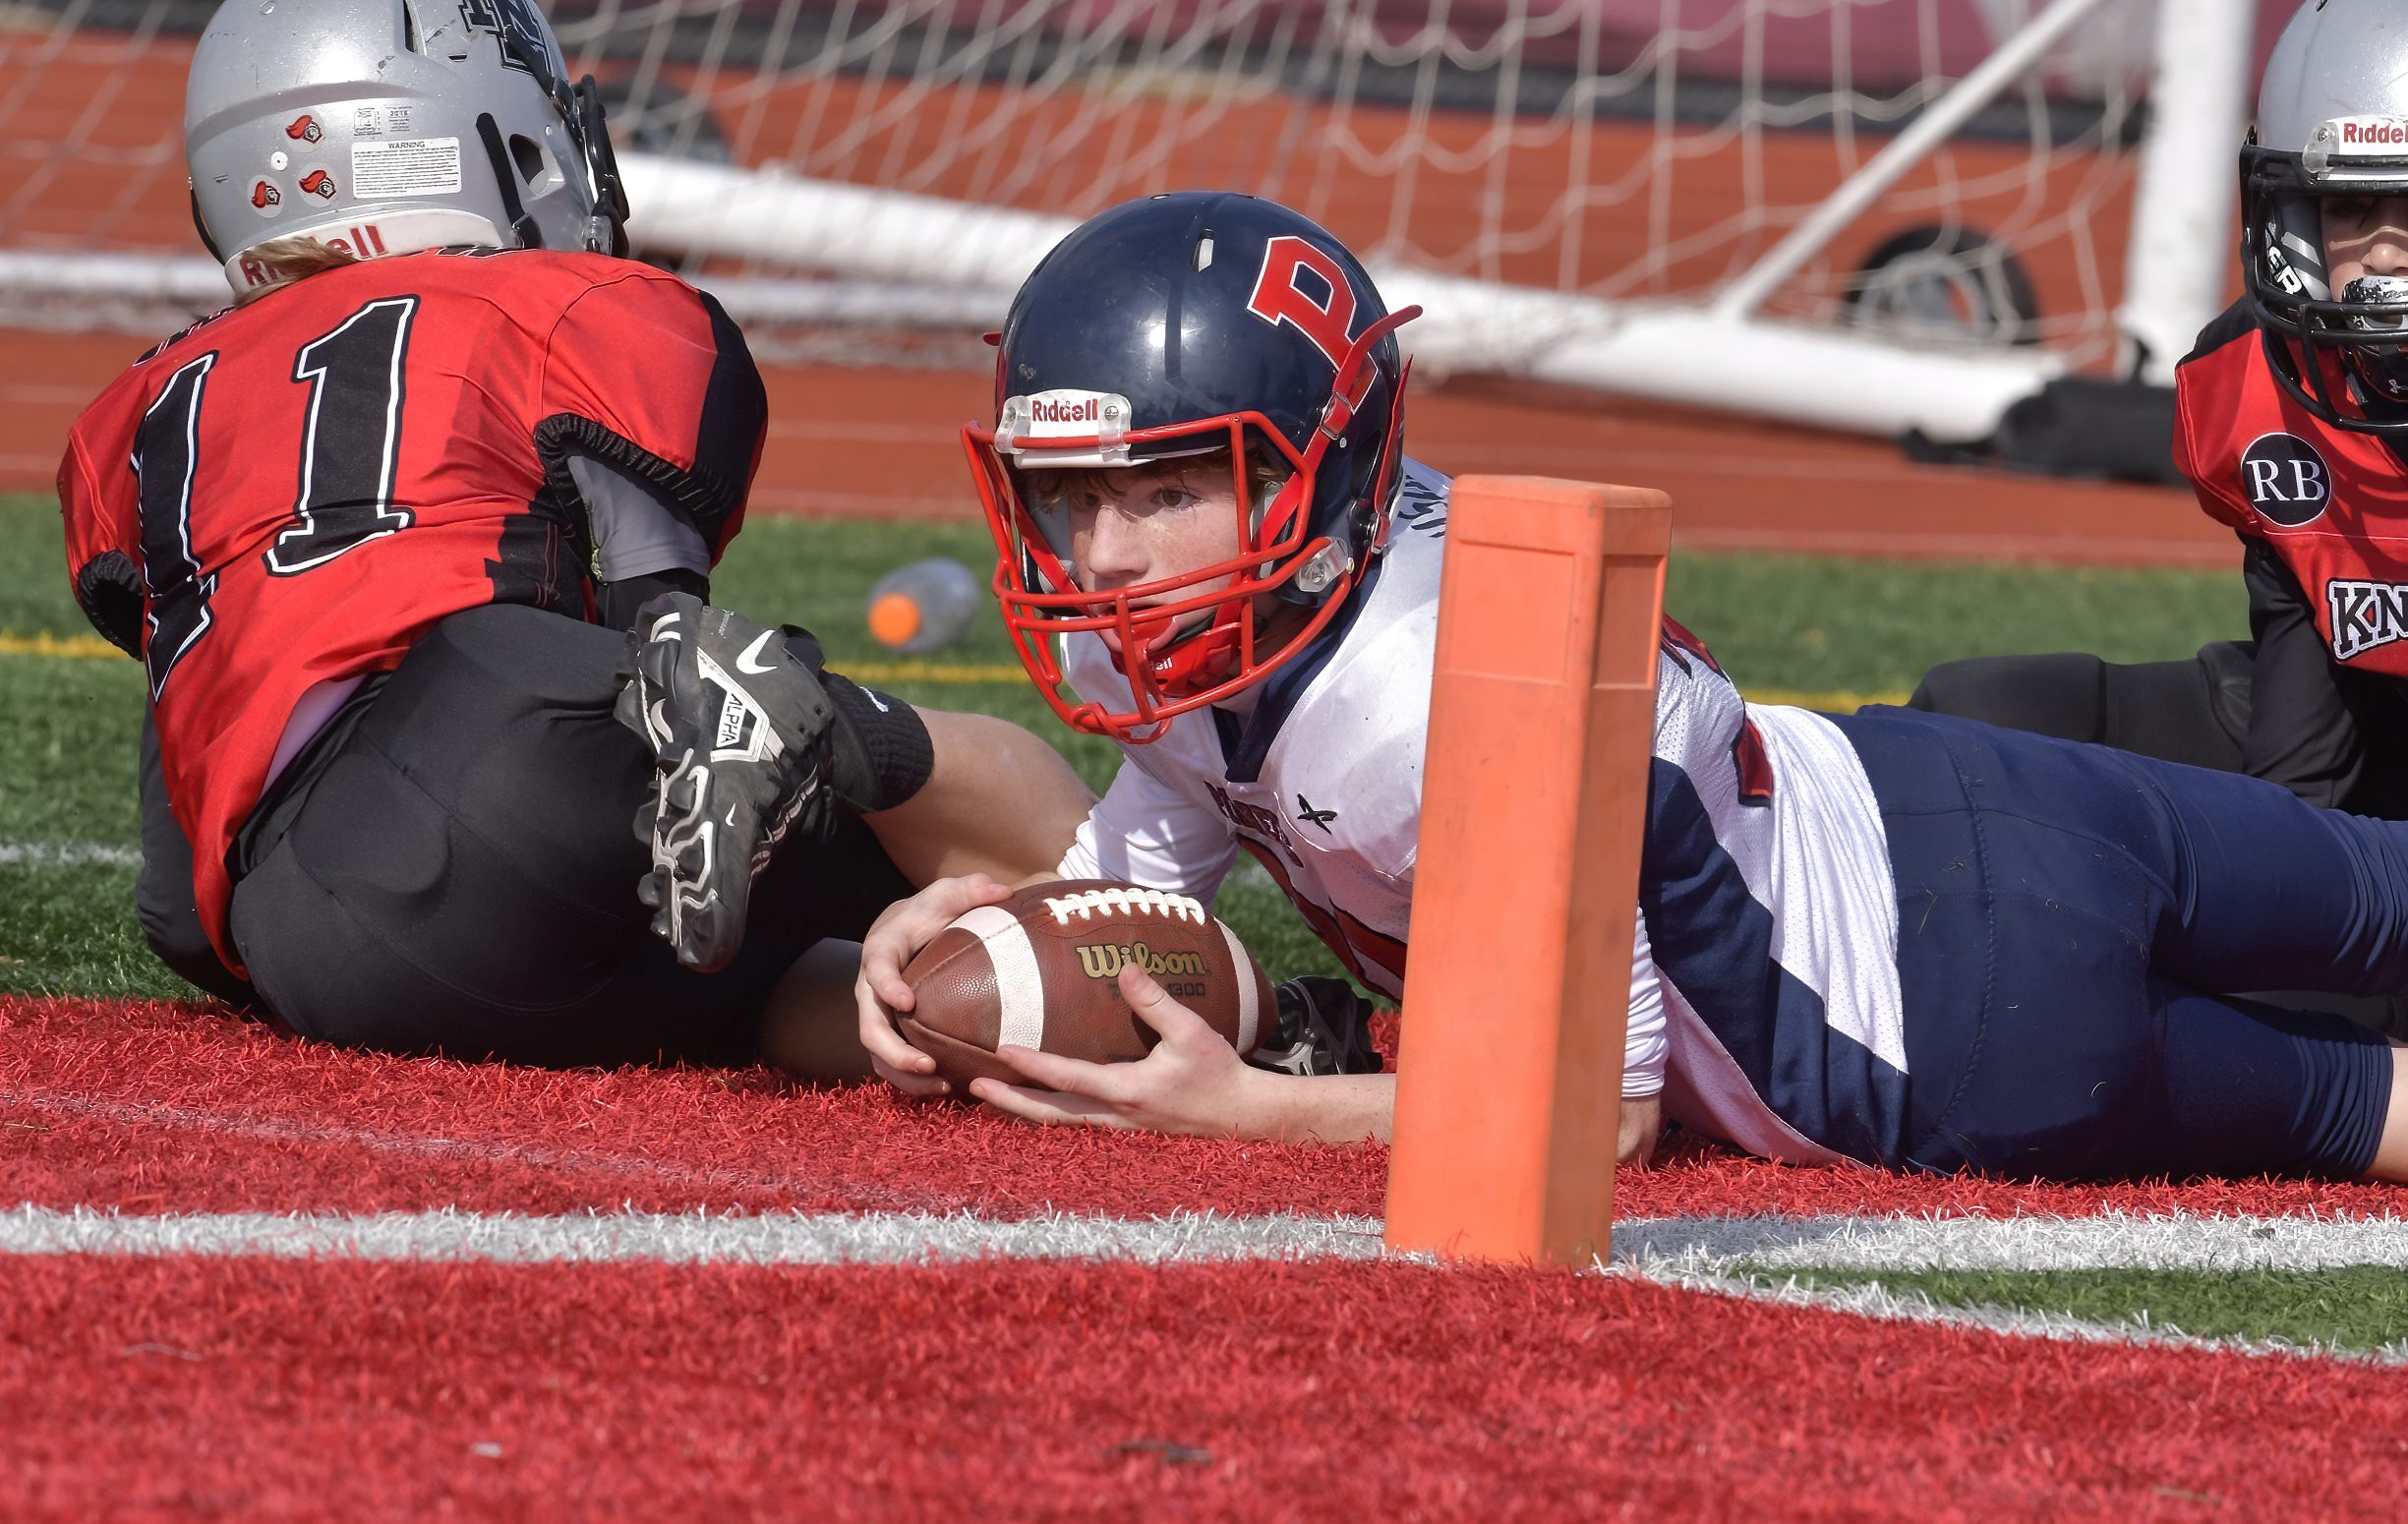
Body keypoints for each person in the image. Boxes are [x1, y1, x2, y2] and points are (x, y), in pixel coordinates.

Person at [855, 189, 2408, 1184]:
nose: (1108, 556)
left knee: (2372, 1110)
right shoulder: (1298, 574)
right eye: (1074, 497)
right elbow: (1137, 885)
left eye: (1167, 491)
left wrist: (1252, 1111)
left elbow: (1590, 1122)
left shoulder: (1422, 699)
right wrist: (973, 939)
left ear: (1325, 487)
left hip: (1954, 1030)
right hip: (1936, 787)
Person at [62, 0, 1089, 1070]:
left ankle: (1014, 1006)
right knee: (792, 745)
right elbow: (660, 631)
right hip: (501, 743)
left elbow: (178, 896)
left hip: (297, 941)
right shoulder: (558, 304)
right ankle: (1142, 903)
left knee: (795, 982)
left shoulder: (145, 406)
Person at [1912, 0, 2408, 815]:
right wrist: (2287, 872)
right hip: (2371, 729)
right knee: (1978, 719)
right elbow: (2302, 764)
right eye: (2349, 206)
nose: (2385, 252)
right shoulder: (2255, 382)